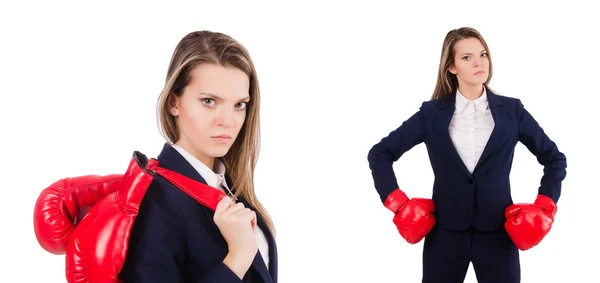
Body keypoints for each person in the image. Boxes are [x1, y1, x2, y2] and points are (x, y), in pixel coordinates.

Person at [33, 30, 277, 283]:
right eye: (209, 101)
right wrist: (237, 257)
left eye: (239, 104)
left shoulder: (229, 187)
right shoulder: (154, 203)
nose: (227, 121)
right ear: (173, 103)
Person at [367, 27, 566, 283]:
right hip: (445, 235)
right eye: (466, 57)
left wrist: (544, 207)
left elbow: (554, 158)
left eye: (482, 54)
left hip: (498, 235)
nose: (478, 62)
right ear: (451, 67)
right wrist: (397, 203)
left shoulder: (512, 111)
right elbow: (380, 153)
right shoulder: (431, 114)